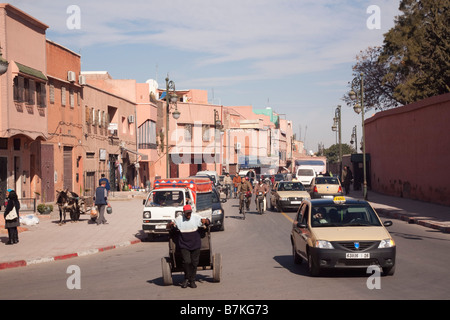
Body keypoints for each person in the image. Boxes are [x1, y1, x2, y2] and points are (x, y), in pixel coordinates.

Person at [167, 205, 210, 288]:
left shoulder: (196, 217)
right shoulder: (179, 219)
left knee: (194, 263)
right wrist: (170, 225)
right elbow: (170, 226)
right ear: (184, 213)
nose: (189, 215)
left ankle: (192, 280)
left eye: (189, 213)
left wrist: (206, 221)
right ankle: (186, 278)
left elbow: (207, 221)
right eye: (187, 213)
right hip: (184, 244)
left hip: (195, 244)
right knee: (187, 261)